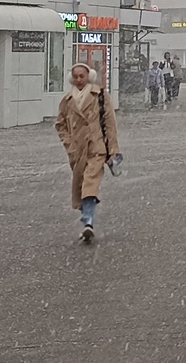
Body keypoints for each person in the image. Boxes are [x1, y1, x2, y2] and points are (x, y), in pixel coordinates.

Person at [54, 63, 121, 243]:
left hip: (96, 148)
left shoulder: (100, 96)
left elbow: (110, 124)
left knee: (90, 183)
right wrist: (69, 144)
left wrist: (113, 150)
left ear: (88, 76)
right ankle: (87, 221)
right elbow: (60, 124)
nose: (78, 80)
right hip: (77, 153)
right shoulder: (68, 100)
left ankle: (88, 222)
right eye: (75, 77)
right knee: (80, 186)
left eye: (82, 76)